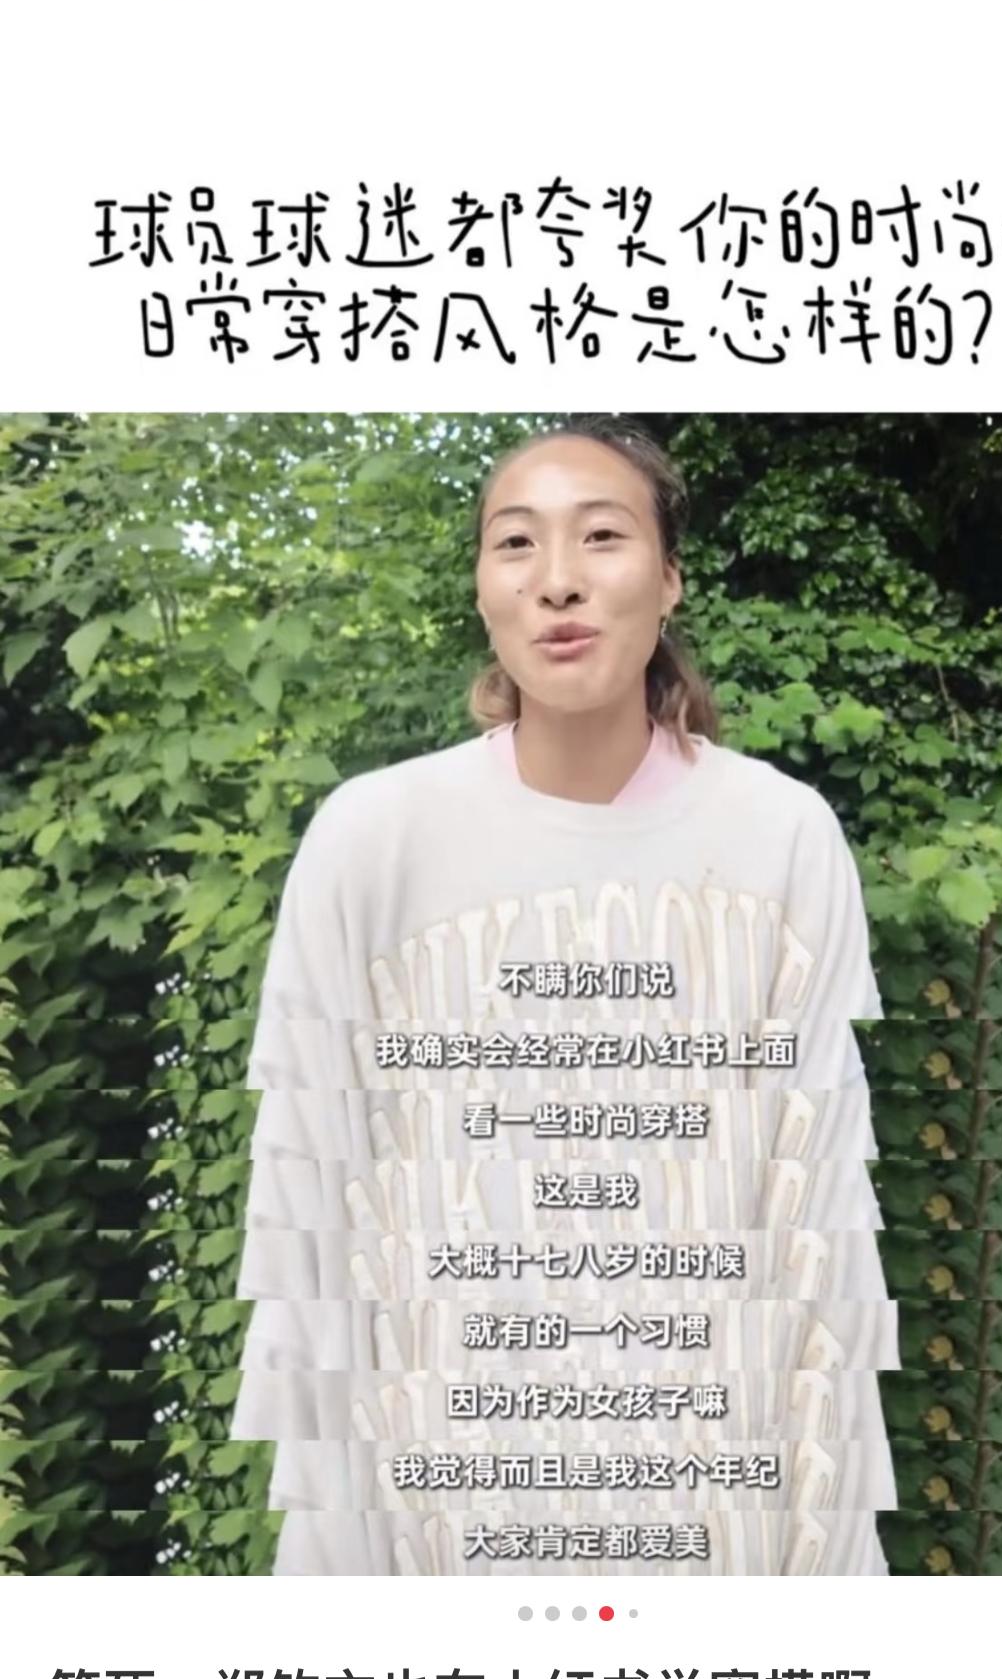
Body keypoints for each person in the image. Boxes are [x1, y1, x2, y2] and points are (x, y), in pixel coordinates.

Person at [230, 419, 899, 1575]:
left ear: (669, 579)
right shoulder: (373, 840)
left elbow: (817, 1222)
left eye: (601, 536)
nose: (557, 581)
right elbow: (312, 1210)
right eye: (516, 543)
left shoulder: (782, 837)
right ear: (482, 588)